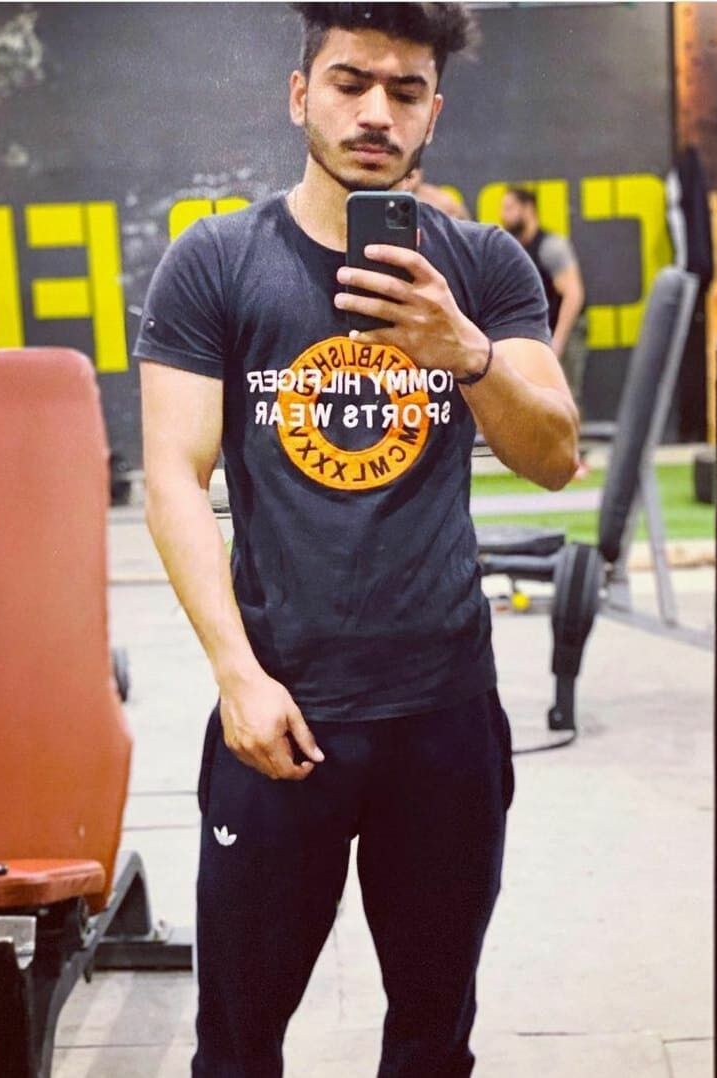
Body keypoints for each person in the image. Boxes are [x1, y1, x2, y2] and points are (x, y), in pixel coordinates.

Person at [137, 4, 578, 1075]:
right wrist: (236, 676)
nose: (376, 111)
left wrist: (466, 353)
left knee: (431, 1045)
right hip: (280, 714)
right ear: (301, 94)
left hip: (444, 714)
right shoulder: (215, 263)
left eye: (405, 90)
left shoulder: (483, 268)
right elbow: (174, 478)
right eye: (349, 82)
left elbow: (556, 454)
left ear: (434, 114)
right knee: (236, 1049)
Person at [500, 185, 589, 408]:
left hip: (565, 330)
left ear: (528, 209)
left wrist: (558, 341)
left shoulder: (551, 247)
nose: (503, 215)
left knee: (566, 398)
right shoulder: (513, 249)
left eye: (509, 208)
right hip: (538, 335)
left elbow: (574, 295)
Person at [400, 164, 471, 219]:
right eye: (401, 177)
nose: (406, 183)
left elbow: (463, 217)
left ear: (420, 173)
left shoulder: (438, 199)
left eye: (409, 177)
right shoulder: (395, 197)